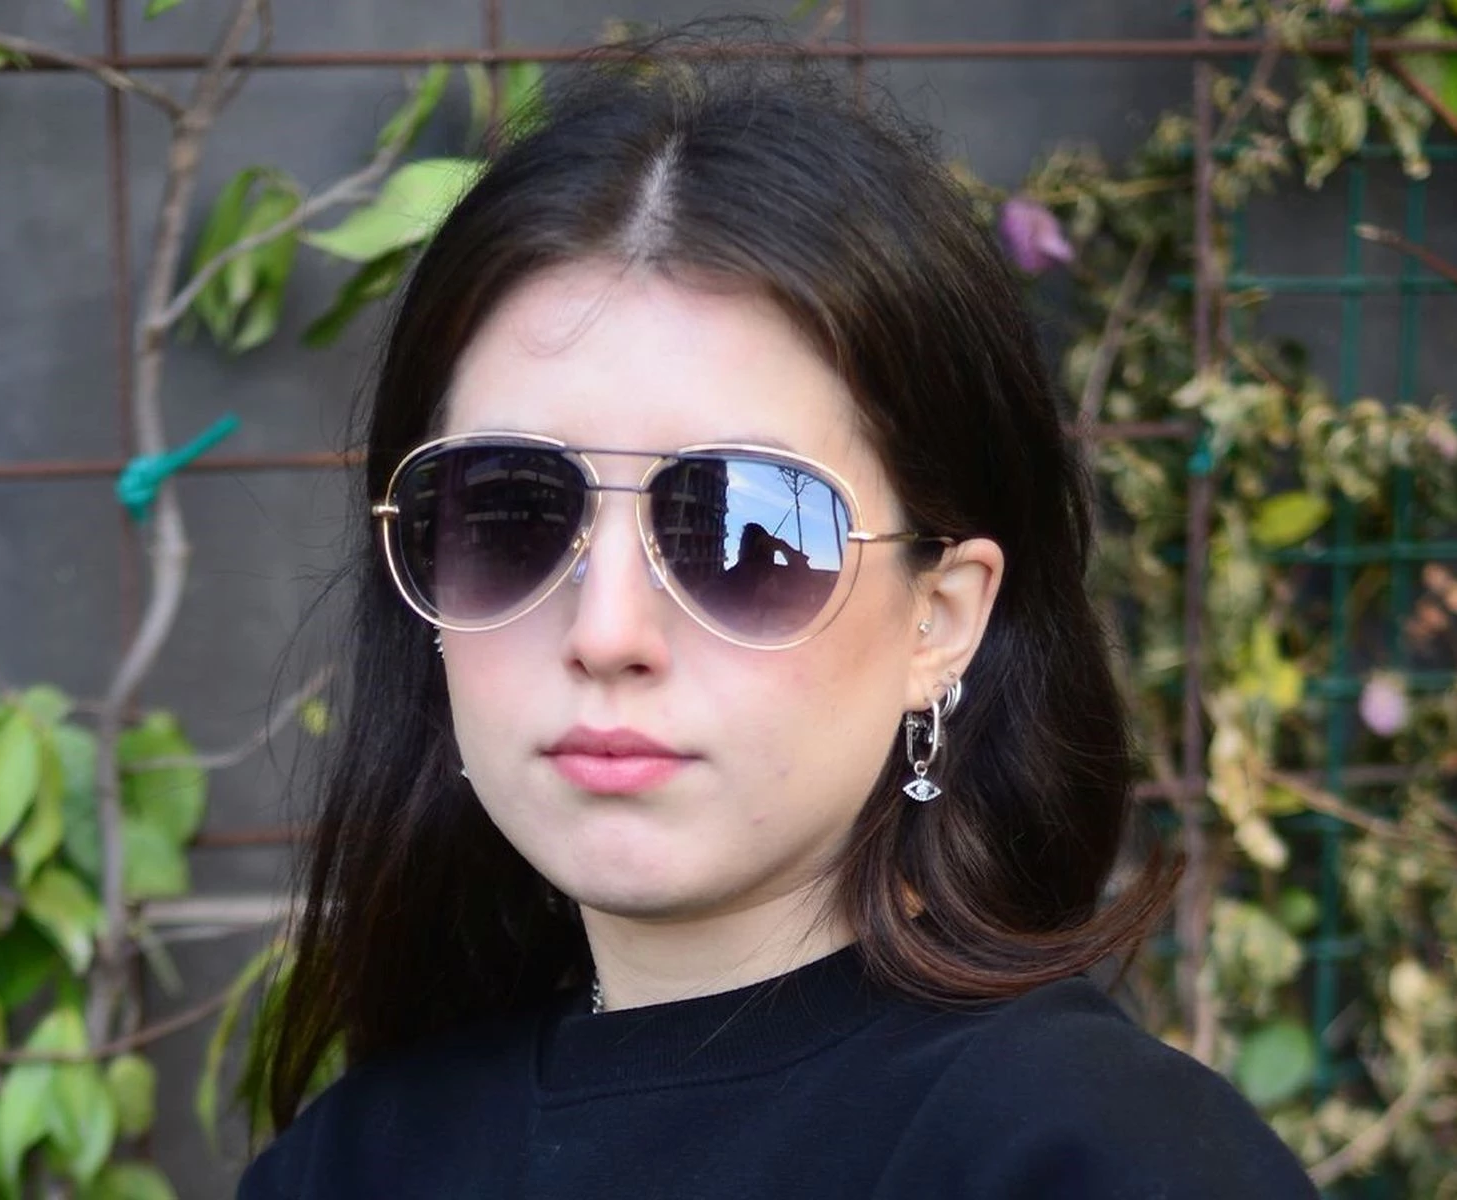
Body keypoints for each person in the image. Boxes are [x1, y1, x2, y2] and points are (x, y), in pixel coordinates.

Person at [238, 24, 1320, 1199]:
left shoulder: (1094, 1160)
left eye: (742, 532)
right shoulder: (350, 1164)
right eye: (511, 518)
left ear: (939, 618)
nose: (605, 634)